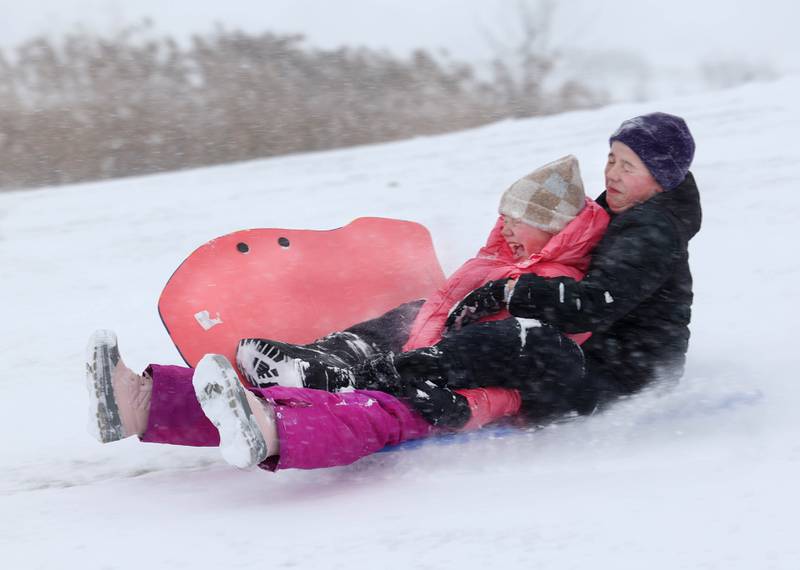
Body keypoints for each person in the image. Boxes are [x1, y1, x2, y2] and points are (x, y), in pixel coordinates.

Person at [87, 154, 609, 470]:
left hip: (450, 390)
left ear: (556, 229)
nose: (507, 228)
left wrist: (467, 404)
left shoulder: (553, 289)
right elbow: (442, 314)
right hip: (421, 357)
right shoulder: (500, 261)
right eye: (505, 217)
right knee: (380, 335)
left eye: (520, 220)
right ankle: (145, 403)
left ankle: (276, 422)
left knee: (367, 410)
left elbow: (521, 365)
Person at [243, 111, 701, 429]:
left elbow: (591, 306)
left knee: (523, 340)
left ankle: (360, 380)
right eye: (611, 159)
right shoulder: (621, 210)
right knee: (427, 311)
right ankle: (321, 358)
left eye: (628, 166)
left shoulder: (653, 231)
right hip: (587, 355)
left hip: (617, 380)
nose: (613, 174)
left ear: (661, 177)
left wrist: (506, 293)